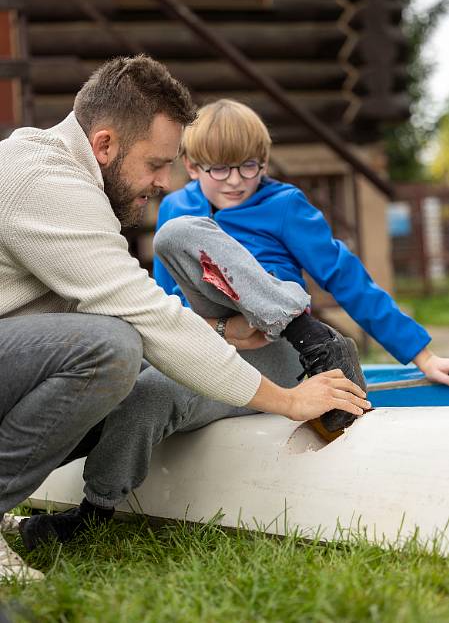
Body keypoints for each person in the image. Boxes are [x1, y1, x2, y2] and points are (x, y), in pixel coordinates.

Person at [0, 57, 369, 582]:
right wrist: (289, 401)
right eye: (156, 164)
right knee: (111, 348)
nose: (165, 181)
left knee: (125, 349)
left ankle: (308, 335)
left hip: (262, 333)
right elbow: (146, 316)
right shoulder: (44, 182)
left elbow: (130, 305)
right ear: (104, 145)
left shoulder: (66, 172)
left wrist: (226, 331)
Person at [153, 98, 449, 435]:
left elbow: (343, 274)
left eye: (248, 166)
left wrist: (422, 355)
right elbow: (164, 296)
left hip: (272, 341)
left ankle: (319, 344)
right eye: (219, 169)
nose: (234, 181)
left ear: (264, 163)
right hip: (211, 338)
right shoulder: (176, 209)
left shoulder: (284, 205)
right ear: (192, 166)